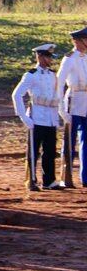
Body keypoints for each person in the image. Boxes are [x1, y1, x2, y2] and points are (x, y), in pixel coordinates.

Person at [14, 44, 61, 191]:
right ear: (40, 56)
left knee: (50, 151)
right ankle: (31, 180)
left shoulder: (53, 75)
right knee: (33, 152)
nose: (50, 60)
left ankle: (49, 180)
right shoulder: (31, 75)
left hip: (51, 117)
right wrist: (24, 117)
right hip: (37, 117)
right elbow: (16, 94)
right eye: (47, 57)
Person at [55, 27, 87, 188]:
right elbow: (59, 83)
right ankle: (65, 175)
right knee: (69, 141)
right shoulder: (70, 58)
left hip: (86, 102)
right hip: (73, 101)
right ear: (78, 41)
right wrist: (61, 109)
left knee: (86, 141)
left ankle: (86, 177)